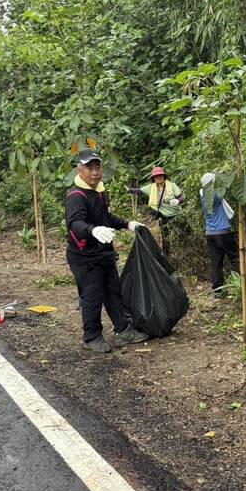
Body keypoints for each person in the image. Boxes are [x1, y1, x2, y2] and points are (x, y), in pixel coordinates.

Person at [65, 147, 149, 353]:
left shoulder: (100, 193)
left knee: (114, 292)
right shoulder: (76, 196)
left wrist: (128, 224)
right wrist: (92, 230)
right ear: (80, 170)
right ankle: (92, 336)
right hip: (84, 257)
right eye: (89, 168)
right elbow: (74, 223)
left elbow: (106, 218)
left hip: (103, 253)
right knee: (92, 295)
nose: (94, 172)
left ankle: (123, 330)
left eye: (97, 167)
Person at [200, 173, 240, 298]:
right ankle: (237, 285)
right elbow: (226, 188)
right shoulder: (214, 195)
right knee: (235, 258)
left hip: (210, 234)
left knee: (216, 262)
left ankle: (218, 291)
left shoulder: (203, 195)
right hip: (223, 232)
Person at [128, 166, 184, 255]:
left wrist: (178, 201)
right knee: (165, 236)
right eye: (156, 176)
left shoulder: (172, 185)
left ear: (164, 176)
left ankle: (186, 251)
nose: (159, 177)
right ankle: (167, 255)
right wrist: (128, 190)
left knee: (185, 232)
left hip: (176, 214)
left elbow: (181, 197)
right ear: (153, 178)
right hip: (163, 216)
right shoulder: (151, 187)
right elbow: (138, 191)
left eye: (160, 175)